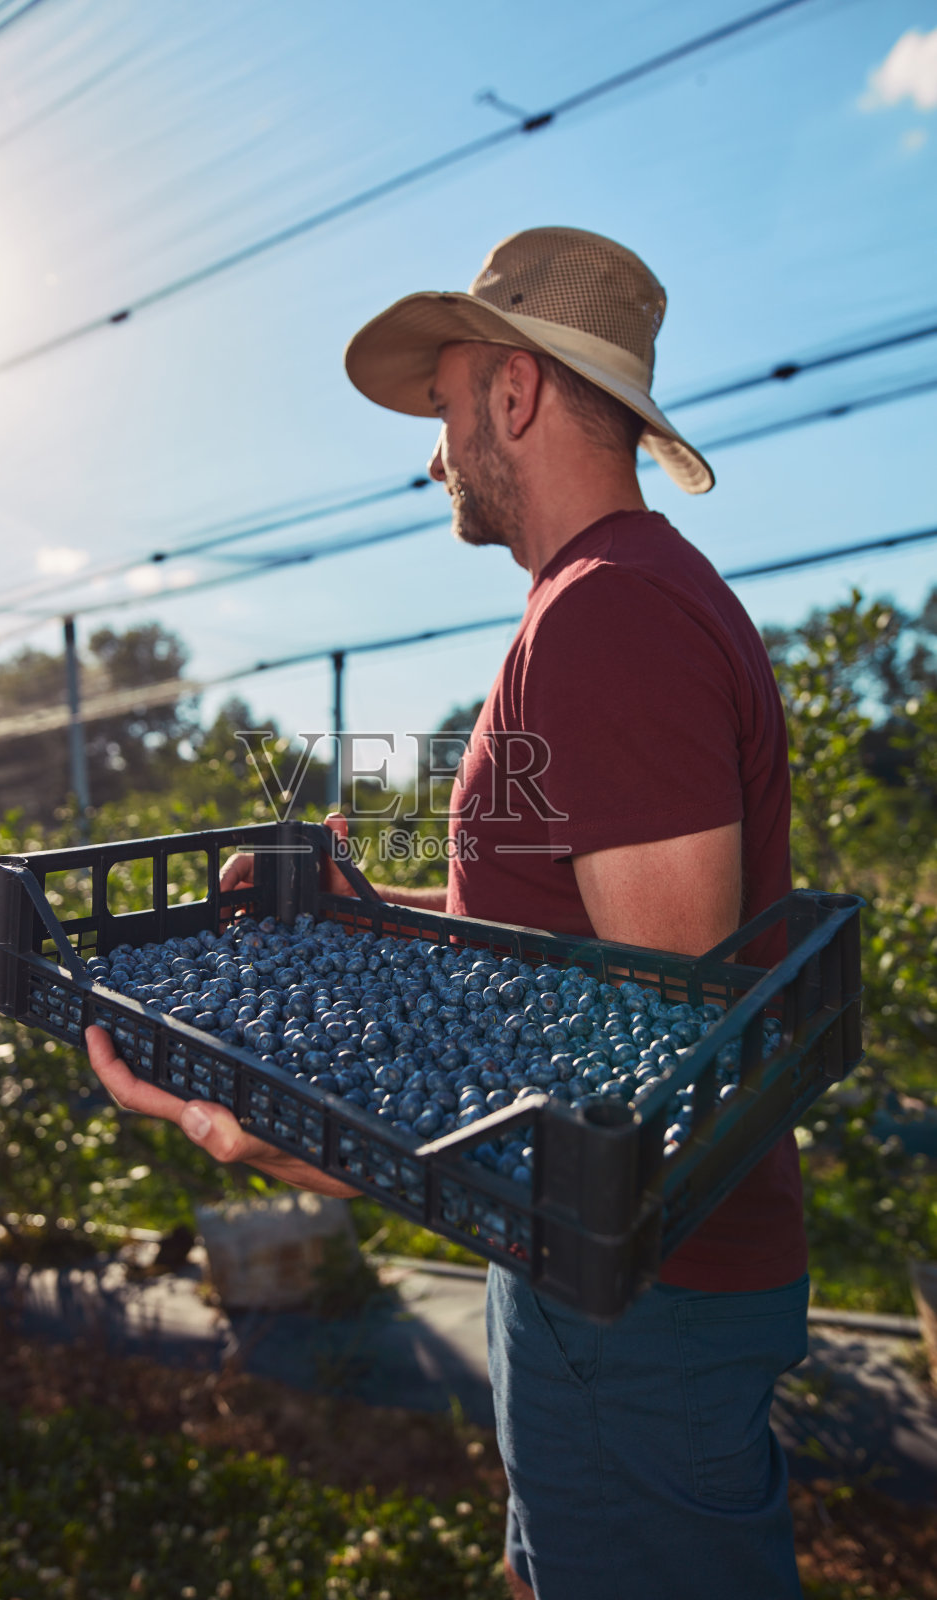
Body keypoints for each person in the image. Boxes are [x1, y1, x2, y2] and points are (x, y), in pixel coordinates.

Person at [88, 226, 808, 1599]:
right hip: (595, 1291)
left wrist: (349, 1143)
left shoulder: (610, 618)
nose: (435, 451)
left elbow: (650, 1050)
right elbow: (570, 945)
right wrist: (373, 921)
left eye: (445, 403)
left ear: (517, 397)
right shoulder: (604, 608)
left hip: (638, 1300)